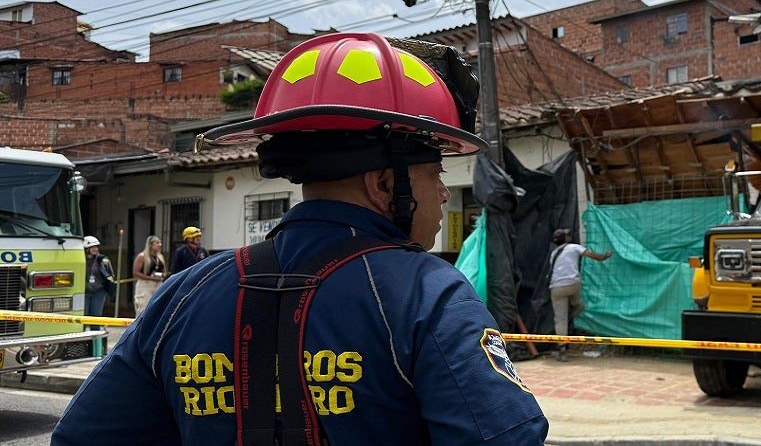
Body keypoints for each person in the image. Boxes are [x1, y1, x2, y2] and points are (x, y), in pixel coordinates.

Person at [53, 33, 548, 445]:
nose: (443, 194)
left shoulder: (185, 292)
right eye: (433, 174)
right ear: (383, 185)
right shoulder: (427, 292)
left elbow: (86, 436)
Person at [548, 227, 612, 361]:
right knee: (577, 304)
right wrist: (605, 256)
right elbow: (593, 256)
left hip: (557, 287)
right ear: (565, 239)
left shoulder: (554, 253)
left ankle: (562, 350)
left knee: (560, 319)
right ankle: (574, 309)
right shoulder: (573, 247)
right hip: (573, 284)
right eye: (567, 235)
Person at [83, 235, 115, 325]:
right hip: (85, 291)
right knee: (83, 316)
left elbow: (111, 275)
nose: (95, 249)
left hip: (99, 291)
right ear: (86, 248)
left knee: (96, 317)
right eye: (92, 247)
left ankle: (96, 338)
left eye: (96, 247)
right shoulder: (82, 260)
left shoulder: (103, 260)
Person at [131, 235, 166, 316]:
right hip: (145, 285)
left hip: (158, 284)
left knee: (158, 308)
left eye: (160, 243)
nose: (160, 245)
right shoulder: (142, 256)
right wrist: (151, 278)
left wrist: (162, 276)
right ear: (151, 244)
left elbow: (163, 271)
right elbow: (135, 273)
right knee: (143, 308)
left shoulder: (160, 257)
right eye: (157, 243)